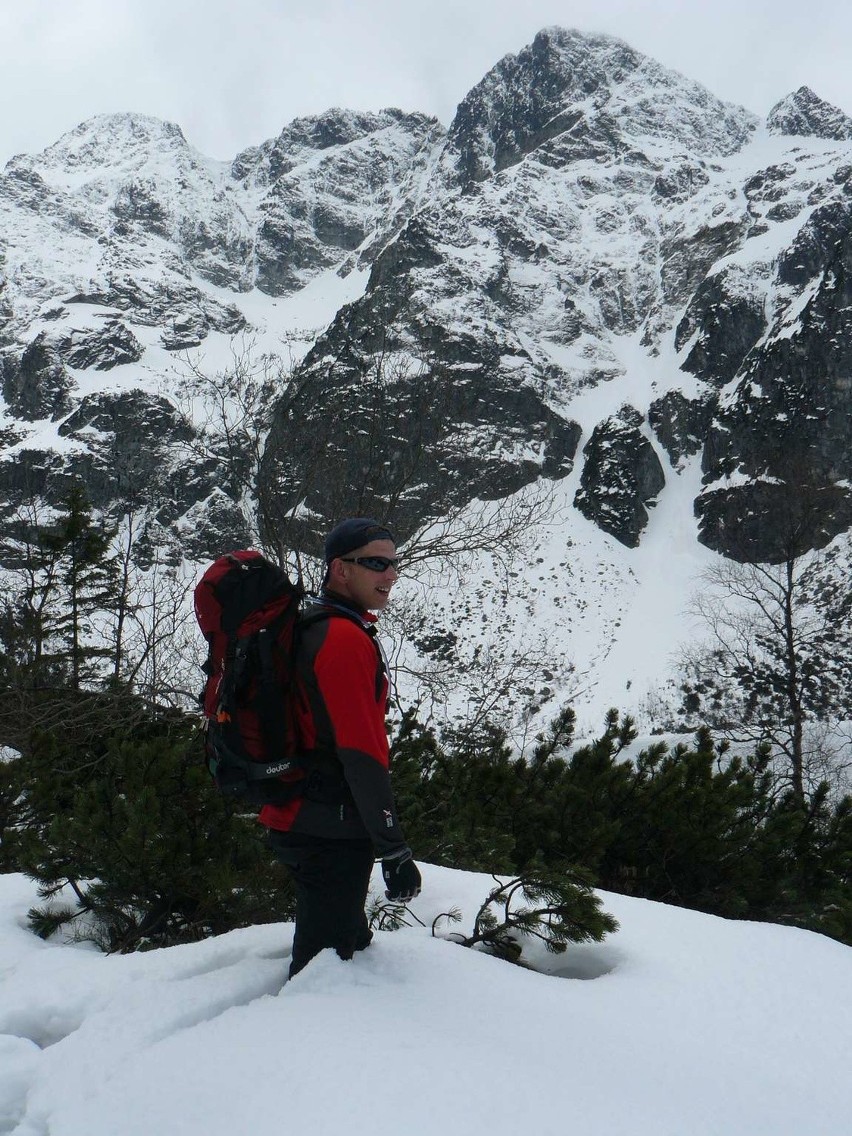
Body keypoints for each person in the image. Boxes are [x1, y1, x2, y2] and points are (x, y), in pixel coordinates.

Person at [260, 517, 422, 978]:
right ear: (340, 569)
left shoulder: (311, 621)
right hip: (327, 828)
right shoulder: (344, 640)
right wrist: (394, 850)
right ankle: (296, 1045)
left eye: (394, 563)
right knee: (323, 975)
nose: (390, 574)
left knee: (350, 945)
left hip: (299, 812)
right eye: (376, 563)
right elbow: (362, 753)